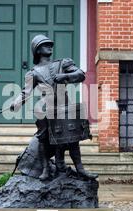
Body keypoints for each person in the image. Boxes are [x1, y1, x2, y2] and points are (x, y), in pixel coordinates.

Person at [10, 34, 97, 181]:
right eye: (45, 45)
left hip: (65, 106)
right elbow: (26, 91)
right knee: (44, 138)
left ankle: (80, 169)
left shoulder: (62, 63)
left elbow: (80, 75)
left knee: (73, 138)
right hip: (46, 108)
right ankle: (45, 169)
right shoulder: (33, 72)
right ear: (37, 50)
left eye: (50, 44)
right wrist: (16, 103)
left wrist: (64, 77)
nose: (50, 46)